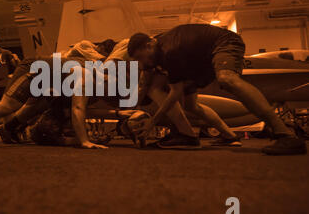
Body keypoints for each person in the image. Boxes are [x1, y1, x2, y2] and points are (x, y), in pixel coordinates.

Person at [127, 24, 306, 155]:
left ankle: (284, 134)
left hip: (224, 42)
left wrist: (152, 123)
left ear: (149, 45)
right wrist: (133, 110)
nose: (143, 63)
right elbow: (146, 82)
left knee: (227, 78)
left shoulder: (169, 52)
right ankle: (228, 136)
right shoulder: (156, 51)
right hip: (199, 62)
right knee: (191, 106)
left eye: (142, 58)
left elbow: (175, 93)